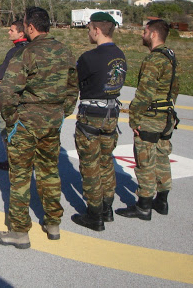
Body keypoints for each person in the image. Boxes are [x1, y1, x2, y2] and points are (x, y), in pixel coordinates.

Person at [0, 7, 78, 249]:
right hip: (52, 122)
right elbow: (73, 89)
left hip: (26, 123)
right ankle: (53, 224)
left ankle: (19, 231)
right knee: (49, 171)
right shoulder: (66, 51)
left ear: (30, 27)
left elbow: (7, 92)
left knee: (19, 176)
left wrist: (12, 121)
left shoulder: (26, 53)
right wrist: (62, 113)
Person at [117, 19, 179, 221]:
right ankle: (162, 200)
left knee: (145, 160)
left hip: (151, 118)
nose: (142, 35)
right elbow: (175, 88)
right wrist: (167, 108)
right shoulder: (170, 56)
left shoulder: (154, 60)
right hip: (166, 117)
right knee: (162, 157)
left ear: (153, 34)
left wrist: (135, 119)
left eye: (144, 32)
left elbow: (144, 93)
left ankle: (143, 205)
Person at [71, 12, 127, 231]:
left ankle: (94, 215)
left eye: (89, 29)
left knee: (90, 165)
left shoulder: (89, 57)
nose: (88, 33)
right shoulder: (120, 55)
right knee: (106, 161)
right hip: (111, 115)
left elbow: (74, 82)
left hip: (91, 116)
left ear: (96, 30)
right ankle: (107, 208)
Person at [0, 20, 28, 171]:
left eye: (11, 30)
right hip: (27, 100)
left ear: (21, 33)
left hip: (10, 99)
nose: (9, 32)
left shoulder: (14, 52)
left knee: (6, 129)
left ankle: (12, 161)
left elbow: (1, 74)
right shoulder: (33, 49)